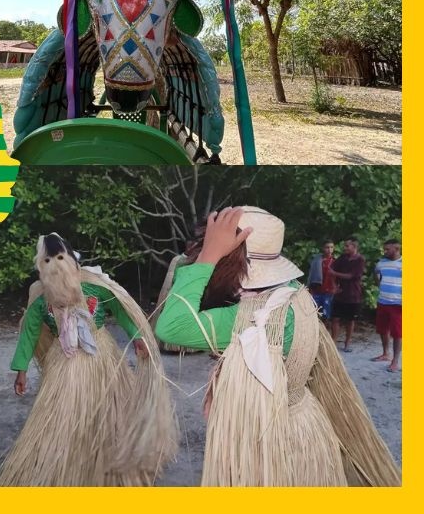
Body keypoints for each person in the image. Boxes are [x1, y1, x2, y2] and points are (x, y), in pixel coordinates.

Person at [155, 207, 399, 486]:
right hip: (304, 430)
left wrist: (209, 256)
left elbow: (170, 327)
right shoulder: (293, 293)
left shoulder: (252, 316)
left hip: (267, 444)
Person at [0, 233, 174, 486]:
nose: (55, 264)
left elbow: (120, 312)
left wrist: (137, 338)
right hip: (64, 364)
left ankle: (115, 466)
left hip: (102, 356)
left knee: (113, 409)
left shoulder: (94, 288)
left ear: (74, 261)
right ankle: (65, 468)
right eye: (48, 260)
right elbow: (30, 334)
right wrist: (21, 369)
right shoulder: (41, 302)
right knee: (61, 415)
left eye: (60, 257)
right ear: (40, 266)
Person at [330, 237, 366, 352]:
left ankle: (347, 343)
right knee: (335, 318)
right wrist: (334, 286)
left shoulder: (360, 260)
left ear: (354, 247)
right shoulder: (342, 258)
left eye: (347, 246)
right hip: (340, 294)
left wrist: (335, 273)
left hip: (353, 294)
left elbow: (351, 276)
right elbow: (331, 270)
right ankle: (333, 342)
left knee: (350, 320)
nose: (345, 248)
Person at [372, 239, 402, 372]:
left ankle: (395, 361)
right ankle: (385, 354)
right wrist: (379, 284)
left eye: (387, 249)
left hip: (398, 304)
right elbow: (375, 272)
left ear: (396, 249)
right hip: (383, 301)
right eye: (384, 249)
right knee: (383, 330)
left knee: (397, 333)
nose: (385, 252)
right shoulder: (382, 263)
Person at [308, 240, 337, 322]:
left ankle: (325, 333)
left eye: (331, 247)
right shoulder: (316, 261)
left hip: (329, 291)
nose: (329, 250)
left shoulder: (335, 261)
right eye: (327, 247)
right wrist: (310, 288)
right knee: (315, 313)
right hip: (317, 290)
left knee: (326, 315)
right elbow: (311, 275)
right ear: (323, 248)